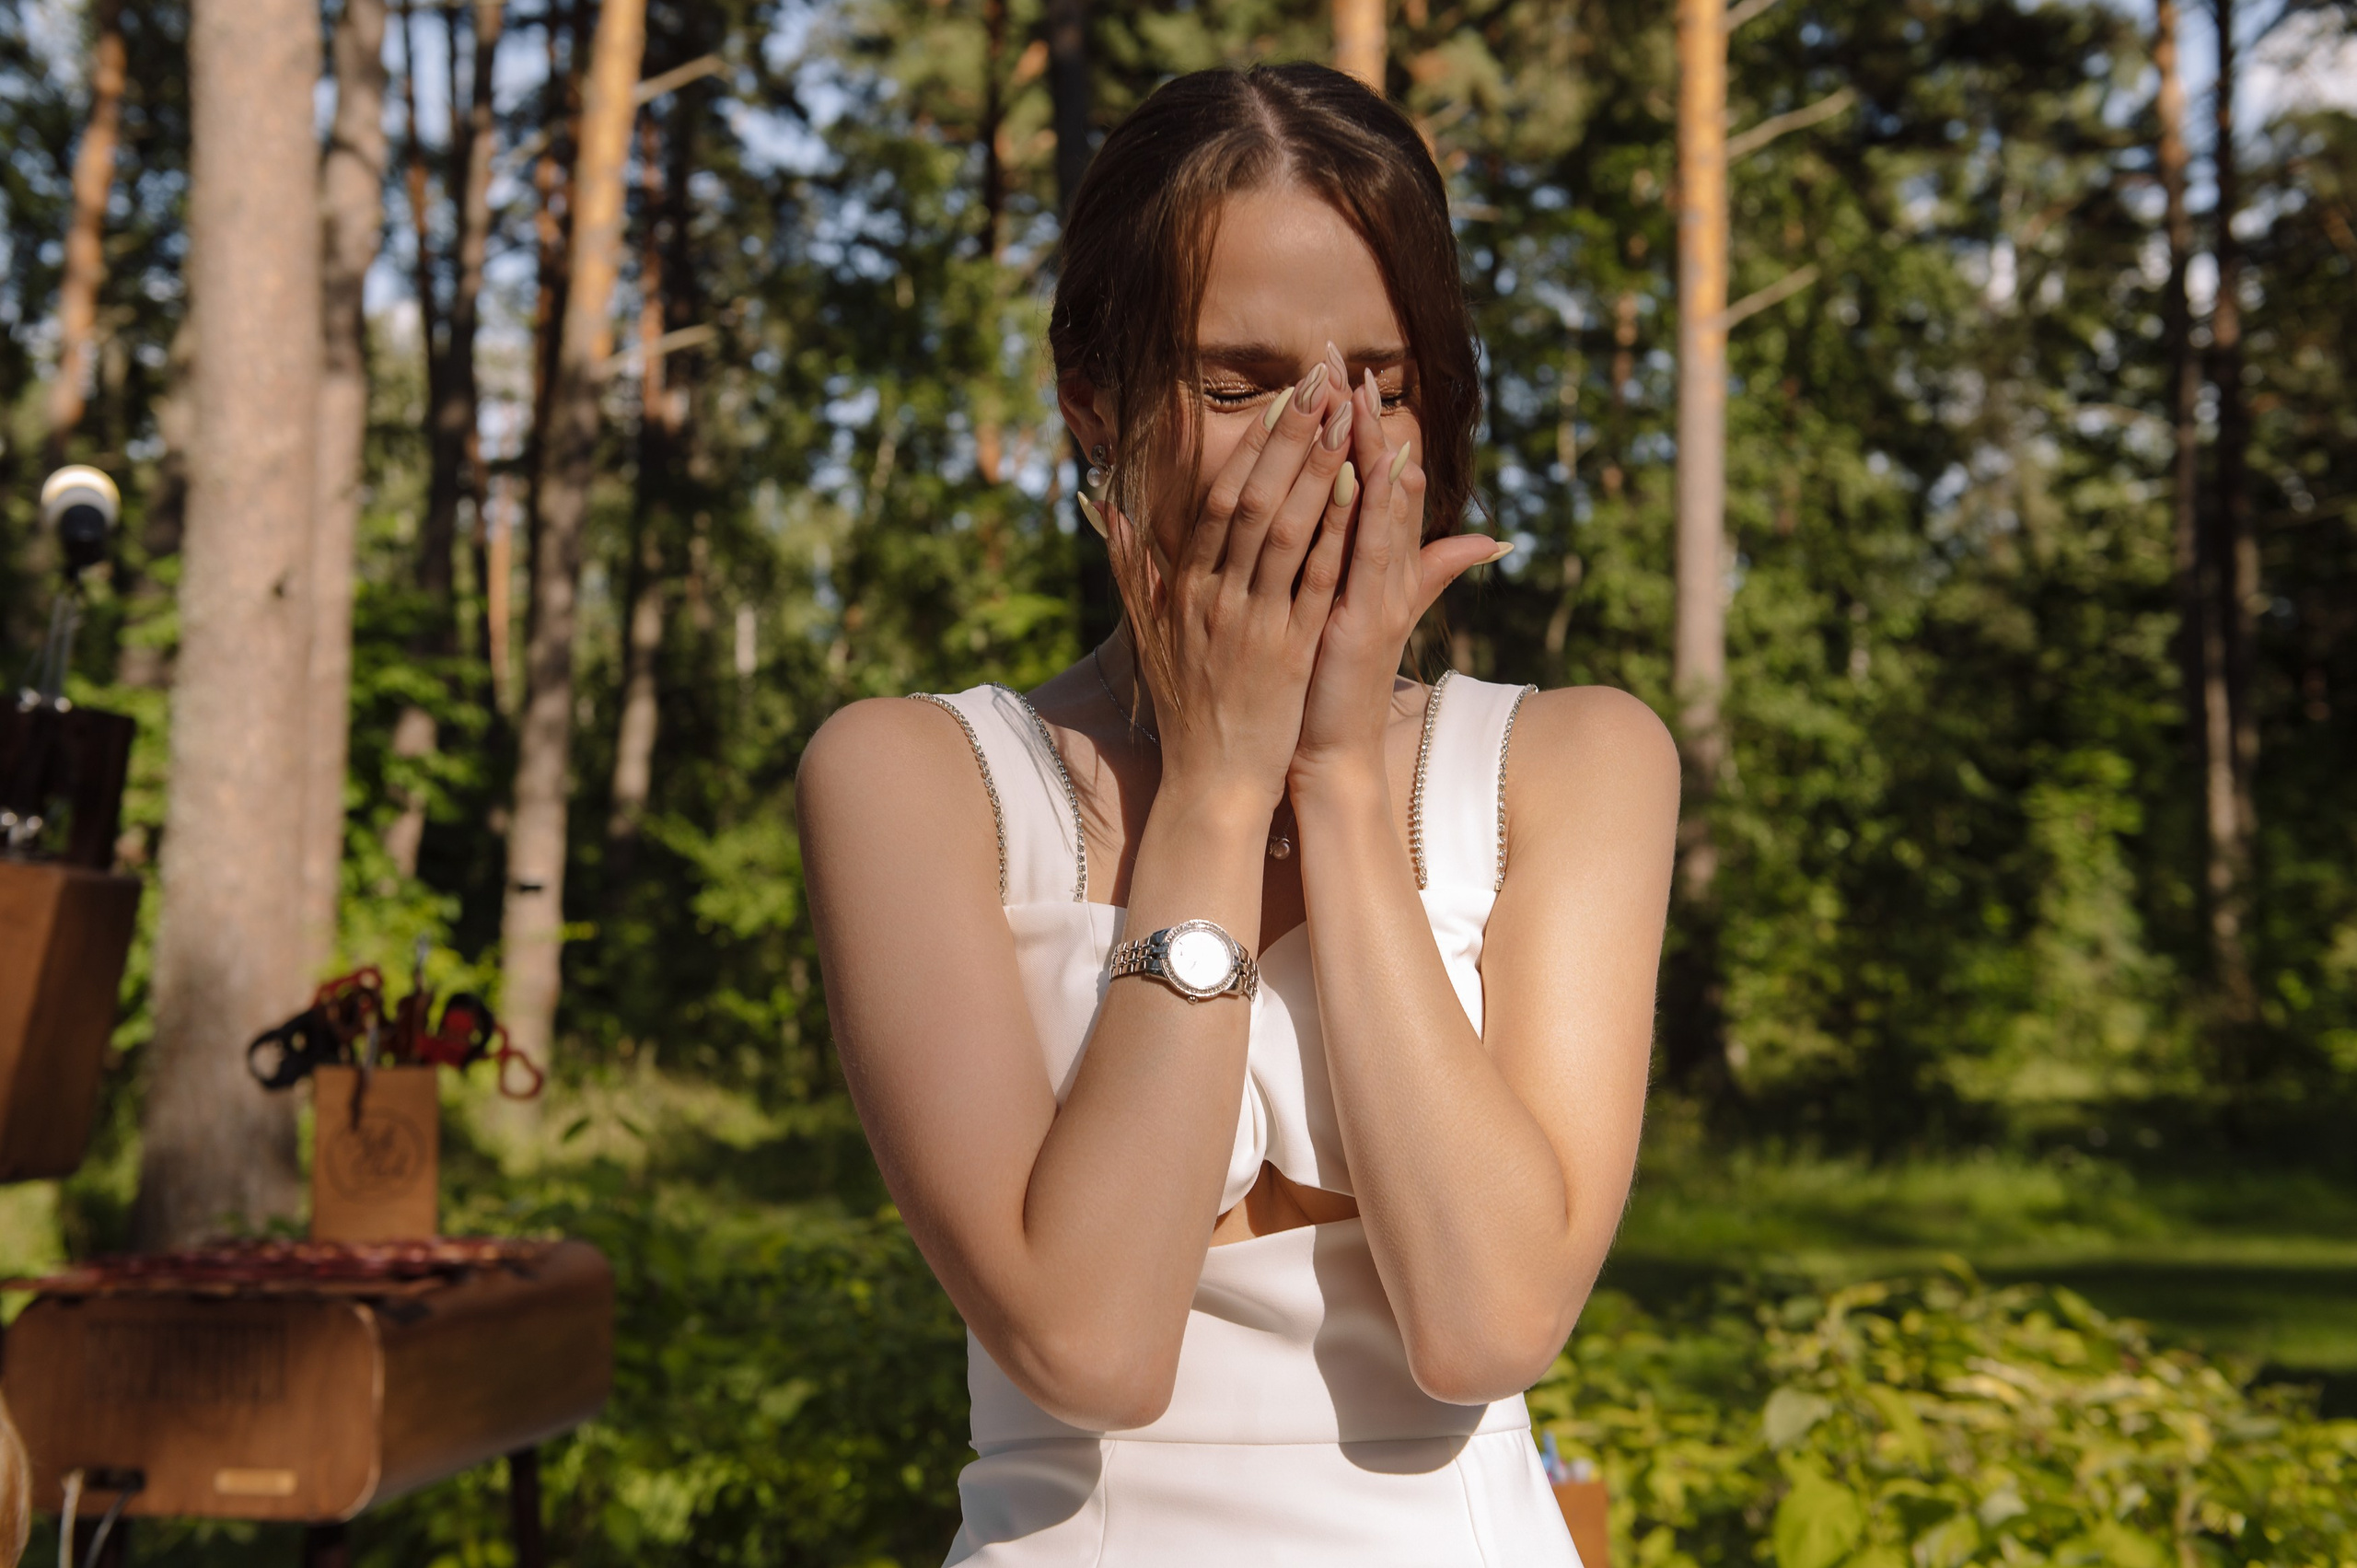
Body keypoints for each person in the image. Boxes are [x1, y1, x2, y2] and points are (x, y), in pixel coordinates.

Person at [798, 61, 1676, 1566]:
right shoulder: (915, 780)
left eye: (1378, 384)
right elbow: (1090, 1346)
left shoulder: (1576, 764)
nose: (1317, 442)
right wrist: (1212, 789)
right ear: (1093, 397)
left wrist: (1334, 779)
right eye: (1236, 383)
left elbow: (1487, 1328)